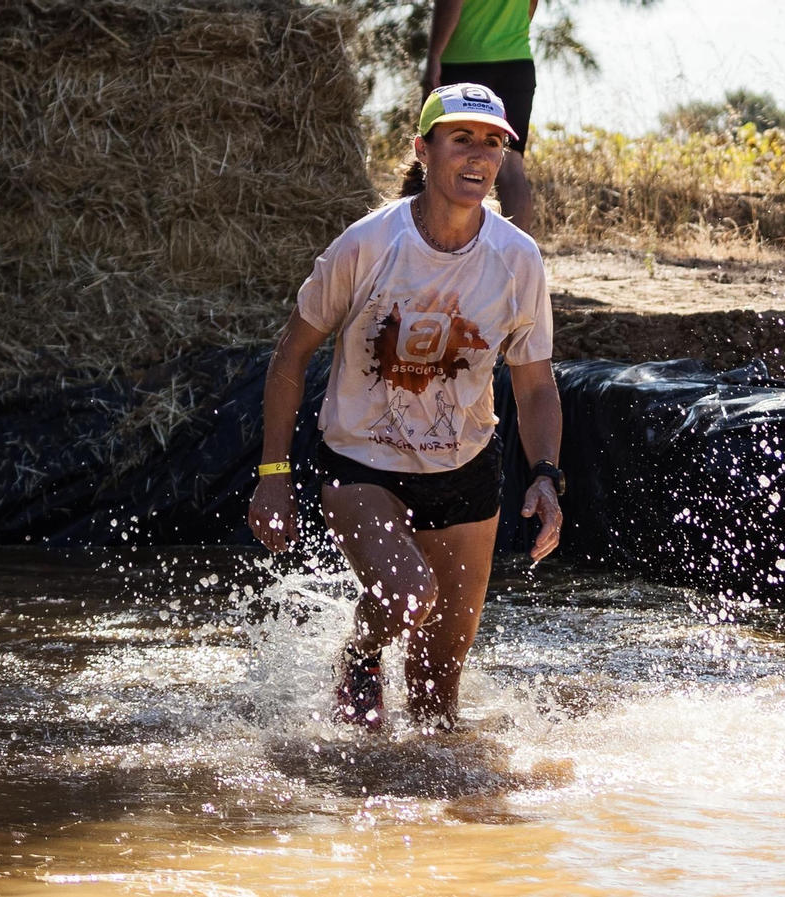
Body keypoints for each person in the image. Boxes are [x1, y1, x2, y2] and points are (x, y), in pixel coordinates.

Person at [248, 83, 565, 732]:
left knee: (436, 705)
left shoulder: (518, 259)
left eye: (494, 142)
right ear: (423, 150)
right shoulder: (366, 245)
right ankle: (361, 654)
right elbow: (290, 356)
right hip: (363, 463)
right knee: (408, 594)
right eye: (462, 139)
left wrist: (546, 476)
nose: (479, 154)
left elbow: (533, 384)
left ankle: (422, 831)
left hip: (466, 471)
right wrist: (273, 476)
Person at [421, 0, 539, 234]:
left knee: (437, 156)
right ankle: (518, 259)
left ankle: (437, 250)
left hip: (464, 58)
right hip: (517, 61)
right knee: (512, 166)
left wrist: (434, 55)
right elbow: (531, 6)